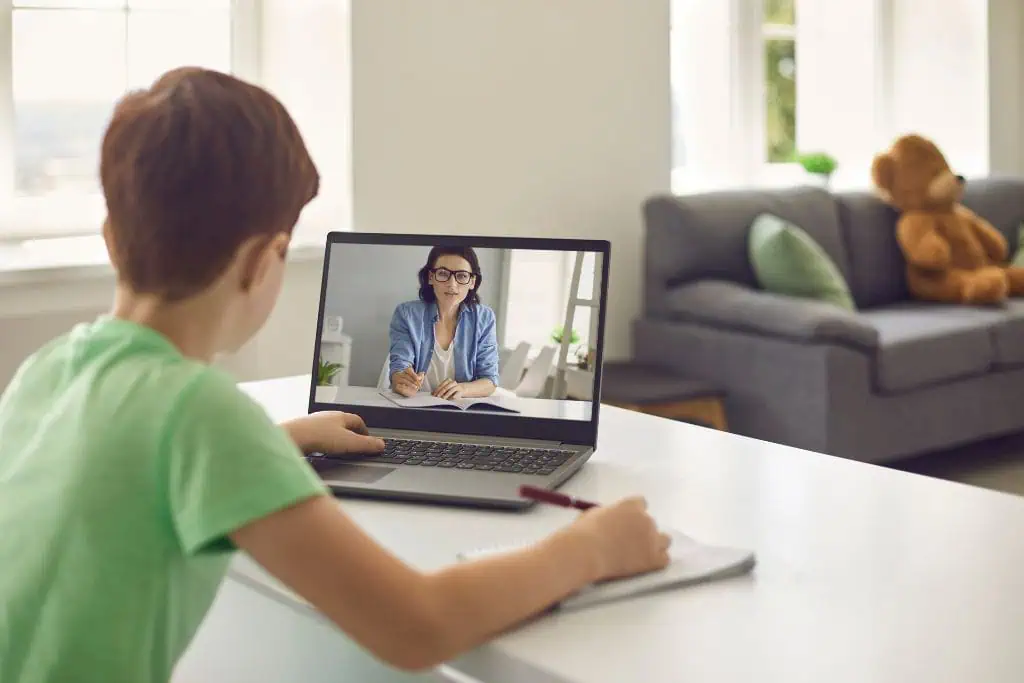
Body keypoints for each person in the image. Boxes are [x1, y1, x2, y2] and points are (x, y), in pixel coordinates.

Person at [0, 67, 671, 681]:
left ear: (111, 236)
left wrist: (279, 437)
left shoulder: (48, 370)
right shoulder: (198, 412)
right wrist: (589, 548)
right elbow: (417, 624)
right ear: (264, 261)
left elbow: (134, 461)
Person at [387, 246, 500, 400]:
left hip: (461, 410)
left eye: (461, 276)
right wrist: (401, 380)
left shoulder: (484, 318)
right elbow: (400, 365)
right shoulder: (407, 314)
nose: (452, 284)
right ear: (430, 277)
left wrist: (462, 389)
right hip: (415, 406)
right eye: (443, 274)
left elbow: (490, 380)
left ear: (472, 281)